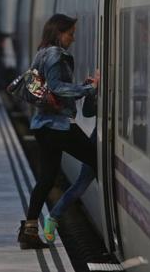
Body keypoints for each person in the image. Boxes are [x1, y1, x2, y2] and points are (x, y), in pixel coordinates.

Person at [17, 13, 100, 249]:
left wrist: (82, 87)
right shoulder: (55, 54)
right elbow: (56, 88)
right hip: (58, 126)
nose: (72, 39)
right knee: (97, 160)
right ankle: (54, 216)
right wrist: (88, 89)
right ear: (58, 32)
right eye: (70, 34)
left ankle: (30, 230)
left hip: (43, 125)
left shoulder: (41, 52)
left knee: (46, 178)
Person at [43, 88, 98, 242]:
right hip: (99, 140)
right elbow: (87, 112)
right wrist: (92, 92)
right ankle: (53, 217)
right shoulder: (97, 87)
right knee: (81, 185)